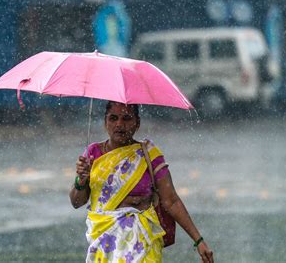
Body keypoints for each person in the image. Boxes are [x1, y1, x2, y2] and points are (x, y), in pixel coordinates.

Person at [69, 101, 214, 262]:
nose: (119, 124)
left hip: (142, 244)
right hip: (105, 243)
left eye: (126, 118)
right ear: (105, 122)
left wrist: (198, 240)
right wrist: (80, 180)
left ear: (137, 123)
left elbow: (171, 201)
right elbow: (76, 202)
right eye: (113, 118)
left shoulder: (148, 154)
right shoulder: (93, 154)